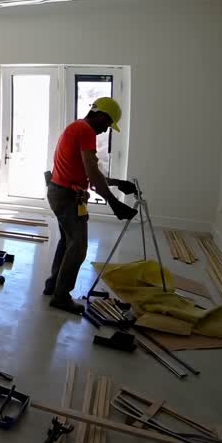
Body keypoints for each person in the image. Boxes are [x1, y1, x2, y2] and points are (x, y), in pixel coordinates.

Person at [44, 97, 138, 314]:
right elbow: (92, 173)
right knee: (78, 247)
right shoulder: (86, 131)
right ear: (102, 116)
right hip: (66, 196)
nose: (106, 131)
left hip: (59, 192)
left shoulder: (76, 127)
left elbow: (86, 171)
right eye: (107, 125)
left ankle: (52, 286)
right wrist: (114, 203)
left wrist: (116, 183)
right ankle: (61, 297)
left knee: (67, 242)